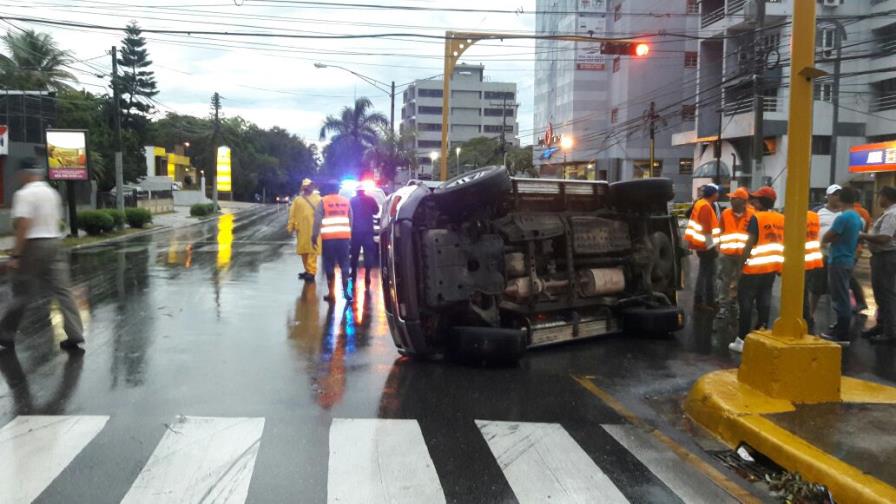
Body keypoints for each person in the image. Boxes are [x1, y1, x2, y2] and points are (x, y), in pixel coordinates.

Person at [0, 159, 84, 352]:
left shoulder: (24, 194)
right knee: (63, 291)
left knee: (21, 290)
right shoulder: (51, 193)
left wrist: (16, 255)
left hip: (34, 245)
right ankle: (75, 333)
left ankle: (5, 334)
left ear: (25, 174)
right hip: (54, 243)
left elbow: (23, 226)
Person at [729, 187, 783, 353]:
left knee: (745, 303)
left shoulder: (756, 218)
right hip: (771, 268)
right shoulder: (781, 218)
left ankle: (742, 339)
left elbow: (749, 245)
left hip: (753, 269)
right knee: (764, 301)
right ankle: (762, 332)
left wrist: (739, 268)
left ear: (760, 202)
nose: (752, 202)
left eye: (755, 199)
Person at [821, 186, 864, 345]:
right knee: (843, 295)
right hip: (848, 259)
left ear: (840, 199)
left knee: (841, 298)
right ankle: (841, 327)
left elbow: (829, 235)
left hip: (838, 259)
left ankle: (842, 334)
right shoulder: (857, 218)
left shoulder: (842, 217)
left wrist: (824, 240)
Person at [860, 186, 896, 343]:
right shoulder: (888, 213)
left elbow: (884, 238)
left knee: (886, 294)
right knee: (881, 294)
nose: (877, 199)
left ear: (886, 197)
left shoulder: (892, 214)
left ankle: (890, 332)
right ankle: (882, 325)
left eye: (879, 196)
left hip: (886, 257)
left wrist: (863, 236)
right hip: (881, 257)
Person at [312, 181, 353, 303]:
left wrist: (314, 236)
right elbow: (351, 219)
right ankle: (346, 291)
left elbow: (317, 220)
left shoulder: (323, 201)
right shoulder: (346, 201)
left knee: (329, 265)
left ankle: (331, 293)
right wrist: (349, 234)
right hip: (344, 238)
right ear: (337, 190)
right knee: (345, 264)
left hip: (328, 239)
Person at [716, 187, 753, 319]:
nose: (730, 200)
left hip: (744, 255)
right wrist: (718, 246)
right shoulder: (726, 213)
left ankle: (735, 305)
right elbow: (719, 230)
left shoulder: (752, 215)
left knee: (741, 281)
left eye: (733, 198)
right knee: (725, 280)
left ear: (742, 201)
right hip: (727, 254)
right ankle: (723, 307)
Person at [808, 184, 842, 325]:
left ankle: (840, 320)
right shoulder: (818, 212)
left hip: (838, 256)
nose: (837, 197)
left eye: (839, 194)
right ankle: (810, 316)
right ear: (828, 196)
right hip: (821, 255)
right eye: (834, 194)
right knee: (816, 288)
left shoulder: (844, 212)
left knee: (838, 289)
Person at [684, 184, 721, 310]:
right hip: (706, 246)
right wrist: (712, 247)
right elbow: (707, 230)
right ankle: (702, 302)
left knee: (705, 273)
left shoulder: (701, 203)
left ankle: (703, 301)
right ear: (713, 194)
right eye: (717, 193)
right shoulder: (705, 206)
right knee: (707, 274)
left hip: (701, 245)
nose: (718, 195)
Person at [287, 179, 321, 282]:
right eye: (305, 187)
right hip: (301, 229)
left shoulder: (319, 199)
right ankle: (307, 270)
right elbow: (292, 213)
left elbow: (322, 214)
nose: (307, 188)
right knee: (303, 251)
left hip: (313, 229)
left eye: (309, 186)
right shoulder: (297, 200)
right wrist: (291, 225)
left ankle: (311, 272)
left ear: (312, 187)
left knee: (312, 250)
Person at [349, 185, 380, 289]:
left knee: (354, 253)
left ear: (356, 191)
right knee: (368, 254)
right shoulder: (370, 199)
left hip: (355, 231)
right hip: (368, 231)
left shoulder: (352, 201)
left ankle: (353, 274)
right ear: (364, 191)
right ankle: (367, 275)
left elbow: (348, 214)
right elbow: (376, 211)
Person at [803, 209, 825, 333]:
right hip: (815, 259)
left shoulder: (797, 217)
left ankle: (807, 320)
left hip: (803, 260)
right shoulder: (815, 216)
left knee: (802, 293)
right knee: (805, 291)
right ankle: (808, 318)